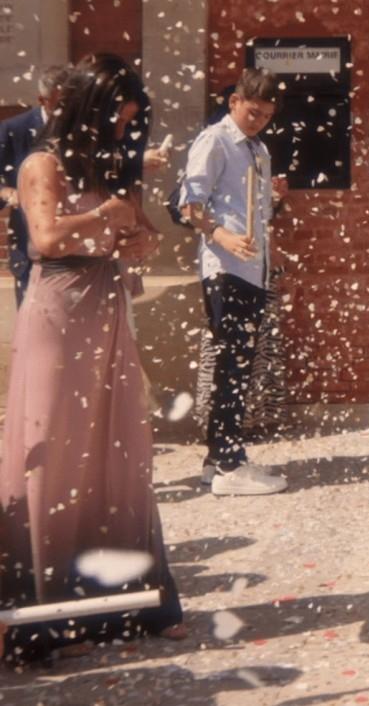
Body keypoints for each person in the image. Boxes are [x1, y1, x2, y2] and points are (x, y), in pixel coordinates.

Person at [0, 54, 185, 665]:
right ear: (87, 111)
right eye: (114, 119)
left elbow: (144, 235)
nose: (121, 132)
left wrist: (139, 236)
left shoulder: (109, 169)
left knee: (117, 443)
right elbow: (45, 238)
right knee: (50, 443)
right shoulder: (41, 164)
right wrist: (105, 217)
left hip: (105, 303)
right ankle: (40, 606)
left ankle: (129, 599)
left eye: (128, 123)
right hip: (56, 309)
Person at [180, 67, 288, 496]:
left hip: (253, 269)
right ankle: (229, 465)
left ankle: (215, 460)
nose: (257, 121)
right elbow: (189, 205)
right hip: (226, 269)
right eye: (252, 112)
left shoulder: (258, 150)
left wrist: (271, 226)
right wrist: (222, 235)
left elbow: (256, 213)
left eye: (265, 116)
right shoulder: (216, 140)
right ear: (234, 103)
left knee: (238, 365)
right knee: (233, 365)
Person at [0, 64, 72, 305]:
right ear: (43, 100)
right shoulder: (13, 131)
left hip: (77, 250)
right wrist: (7, 192)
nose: (66, 112)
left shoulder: (84, 130)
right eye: (59, 104)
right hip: (31, 249)